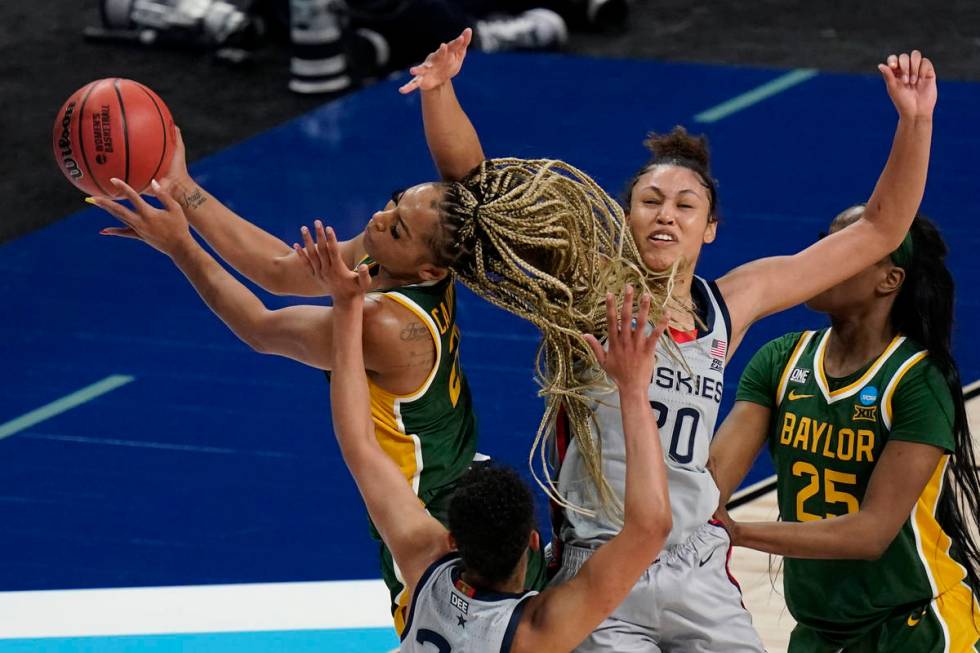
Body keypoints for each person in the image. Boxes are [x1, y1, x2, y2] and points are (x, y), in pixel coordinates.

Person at [404, 34, 937, 652]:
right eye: (650, 201)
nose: (666, 214)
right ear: (624, 216)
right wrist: (440, 90)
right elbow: (479, 191)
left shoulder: (730, 304)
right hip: (602, 565)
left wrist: (915, 121)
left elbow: (877, 229)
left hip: (695, 563)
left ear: (709, 229)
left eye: (686, 206)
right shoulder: (584, 288)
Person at [88, 147, 671, 634]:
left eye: (395, 224)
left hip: (426, 512)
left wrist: (179, 247)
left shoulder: (385, 326)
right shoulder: (403, 256)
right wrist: (184, 188)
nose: (376, 219)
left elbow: (261, 328)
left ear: (428, 271)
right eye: (392, 202)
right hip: (468, 479)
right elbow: (279, 268)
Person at [320, 204, 672, 653]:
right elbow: (652, 525)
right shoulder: (535, 634)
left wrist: (348, 309)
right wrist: (635, 391)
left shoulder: (425, 567)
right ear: (531, 543)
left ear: (451, 539)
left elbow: (359, 443)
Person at [709, 211, 980, 652]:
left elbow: (870, 534)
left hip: (916, 628)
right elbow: (711, 484)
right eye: (825, 241)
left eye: (851, 245)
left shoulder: (918, 380)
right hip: (818, 632)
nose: (822, 256)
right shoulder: (780, 359)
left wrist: (737, 532)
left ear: (889, 280)